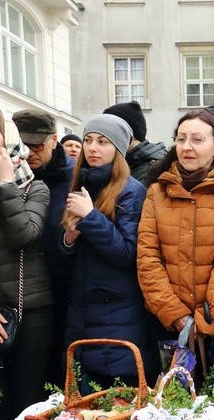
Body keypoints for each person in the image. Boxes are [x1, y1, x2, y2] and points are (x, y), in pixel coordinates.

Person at [137, 110, 214, 379]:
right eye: (181, 139)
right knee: (172, 406)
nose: (187, 147)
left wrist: (206, 320)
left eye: (197, 140)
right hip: (166, 322)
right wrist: (173, 312)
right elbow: (147, 256)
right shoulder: (156, 192)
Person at [60, 114, 157, 388]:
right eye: (88, 140)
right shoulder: (80, 184)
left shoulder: (132, 191)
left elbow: (128, 253)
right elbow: (65, 259)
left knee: (117, 403)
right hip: (80, 313)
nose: (92, 148)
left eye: (103, 142)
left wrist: (90, 216)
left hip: (116, 314)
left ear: (118, 149)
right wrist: (68, 238)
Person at [0, 107, 52, 420]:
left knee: (27, 409)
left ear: (7, 136)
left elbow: (25, 234)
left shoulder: (35, 188)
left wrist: (4, 183)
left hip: (32, 313)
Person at [12, 109, 75, 386]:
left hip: (67, 288)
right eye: (23, 145)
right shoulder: (9, 174)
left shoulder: (76, 175)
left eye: (37, 145)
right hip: (24, 293)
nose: (30, 153)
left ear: (54, 140)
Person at [103, 101, 167, 184]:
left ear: (128, 132)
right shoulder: (129, 161)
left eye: (110, 129)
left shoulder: (151, 170)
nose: (105, 135)